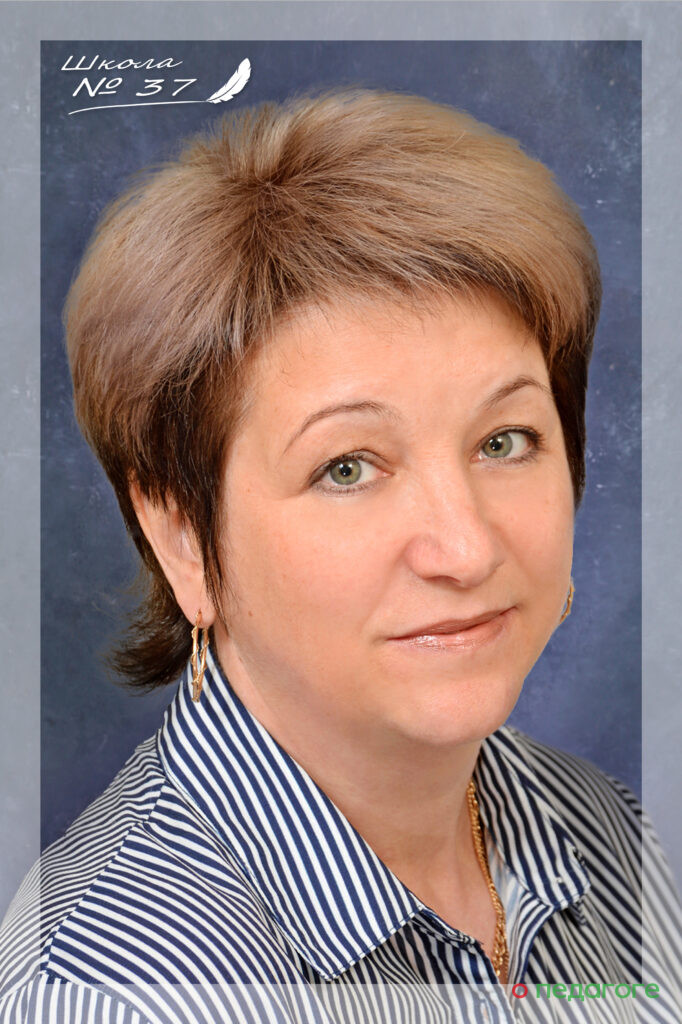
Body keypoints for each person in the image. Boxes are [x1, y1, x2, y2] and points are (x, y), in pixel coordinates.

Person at [0, 88, 679, 1024]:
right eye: (348, 467)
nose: (465, 548)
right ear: (182, 537)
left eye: (504, 441)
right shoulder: (116, 990)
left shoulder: (603, 827)